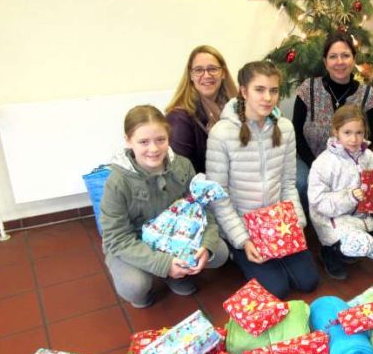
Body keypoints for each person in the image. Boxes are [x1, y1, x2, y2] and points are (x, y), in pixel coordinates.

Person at [207, 61, 319, 298]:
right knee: (278, 288)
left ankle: (276, 256)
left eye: (274, 90)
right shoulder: (222, 134)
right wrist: (243, 240)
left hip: (278, 223)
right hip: (244, 225)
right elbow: (219, 197)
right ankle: (236, 253)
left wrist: (295, 224)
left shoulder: (285, 128)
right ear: (244, 91)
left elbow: (288, 183)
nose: (268, 97)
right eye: (260, 89)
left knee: (308, 281)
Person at [100, 105, 229, 308]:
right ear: (128, 140)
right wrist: (163, 264)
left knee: (218, 252)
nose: (153, 149)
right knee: (134, 286)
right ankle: (155, 277)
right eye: (143, 142)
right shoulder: (117, 182)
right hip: (134, 242)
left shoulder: (183, 165)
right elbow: (116, 238)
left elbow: (201, 208)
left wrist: (206, 245)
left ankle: (176, 274)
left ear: (168, 137)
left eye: (160, 140)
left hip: (176, 237)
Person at [307, 105, 373, 280]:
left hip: (362, 219)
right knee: (363, 244)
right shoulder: (323, 163)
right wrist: (349, 197)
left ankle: (352, 247)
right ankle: (330, 252)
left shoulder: (370, 157)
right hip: (332, 219)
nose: (354, 139)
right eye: (347, 132)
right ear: (336, 131)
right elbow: (318, 202)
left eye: (359, 133)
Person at [293, 32, 373, 210]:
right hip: (309, 159)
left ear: (354, 59)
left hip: (350, 162)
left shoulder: (367, 96)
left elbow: (368, 139)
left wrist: (346, 170)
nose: (339, 62)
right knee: (303, 183)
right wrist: (316, 166)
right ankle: (308, 230)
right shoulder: (308, 89)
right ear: (325, 62)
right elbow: (296, 133)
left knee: (349, 190)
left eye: (345, 55)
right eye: (333, 56)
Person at [165, 45, 237, 173]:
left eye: (212, 69)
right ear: (191, 75)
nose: (206, 75)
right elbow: (182, 175)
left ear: (223, 73)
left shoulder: (234, 108)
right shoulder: (179, 119)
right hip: (202, 190)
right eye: (198, 70)